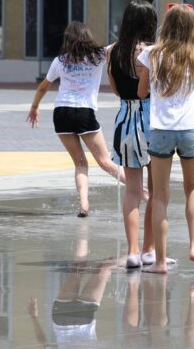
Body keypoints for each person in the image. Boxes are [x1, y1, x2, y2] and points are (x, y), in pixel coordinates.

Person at [136, 4, 194, 272]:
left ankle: (159, 262)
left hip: (160, 129)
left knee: (159, 196)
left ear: (165, 26)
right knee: (192, 188)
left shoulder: (151, 54)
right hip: (189, 127)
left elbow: (142, 91)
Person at [27, 21, 123, 217]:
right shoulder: (98, 56)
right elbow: (120, 44)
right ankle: (143, 191)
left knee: (80, 163)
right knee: (105, 161)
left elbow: (44, 86)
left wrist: (34, 107)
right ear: (88, 37)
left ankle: (84, 204)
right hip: (83, 112)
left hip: (61, 112)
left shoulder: (60, 60)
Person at [27, 227, 113, 349]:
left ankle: (138, 251)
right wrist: (33, 316)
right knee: (78, 267)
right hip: (61, 317)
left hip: (83, 318)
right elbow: (42, 341)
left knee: (105, 268)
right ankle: (83, 231)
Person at [106, 0, 160, 269]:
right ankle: (150, 250)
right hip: (151, 118)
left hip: (124, 119)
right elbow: (148, 90)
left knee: (133, 191)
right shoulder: (150, 52)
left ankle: (132, 252)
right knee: (157, 189)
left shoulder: (113, 51)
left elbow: (115, 89)